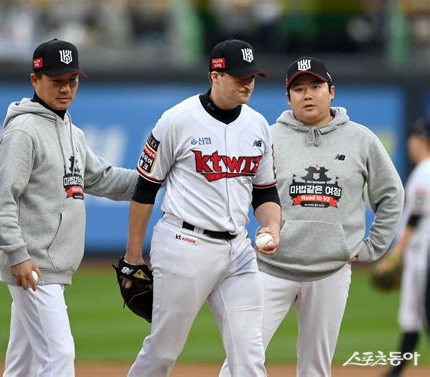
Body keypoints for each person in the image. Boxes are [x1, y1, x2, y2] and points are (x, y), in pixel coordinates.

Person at [220, 57, 405, 377]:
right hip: (271, 267)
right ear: (287, 97)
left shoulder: (361, 139)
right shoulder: (268, 136)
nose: (308, 94)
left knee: (315, 367)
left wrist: (372, 246)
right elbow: (236, 191)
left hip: (329, 271)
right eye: (299, 88)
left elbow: (392, 195)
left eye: (316, 86)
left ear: (331, 91)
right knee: (240, 360)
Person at [121, 38, 282, 377]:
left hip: (238, 250)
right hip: (185, 245)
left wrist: (272, 226)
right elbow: (145, 189)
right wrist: (133, 257)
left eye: (252, 76)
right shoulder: (176, 120)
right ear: (216, 75)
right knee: (164, 350)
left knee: (249, 355)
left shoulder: (257, 126)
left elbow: (265, 194)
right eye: (240, 76)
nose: (248, 83)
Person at [0, 38, 138, 377]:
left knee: (22, 364)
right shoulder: (23, 131)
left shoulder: (72, 130)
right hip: (35, 264)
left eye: (72, 80)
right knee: (59, 357)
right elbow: (3, 199)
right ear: (34, 80)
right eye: (57, 81)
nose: (66, 88)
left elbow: (101, 178)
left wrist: (151, 183)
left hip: (47, 265)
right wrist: (17, 255)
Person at [381, 118, 430, 377]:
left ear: (420, 140)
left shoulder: (425, 171)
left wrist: (395, 253)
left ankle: (396, 371)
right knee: (413, 314)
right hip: (420, 255)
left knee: (418, 313)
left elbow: (415, 217)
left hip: (423, 255)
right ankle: (397, 370)